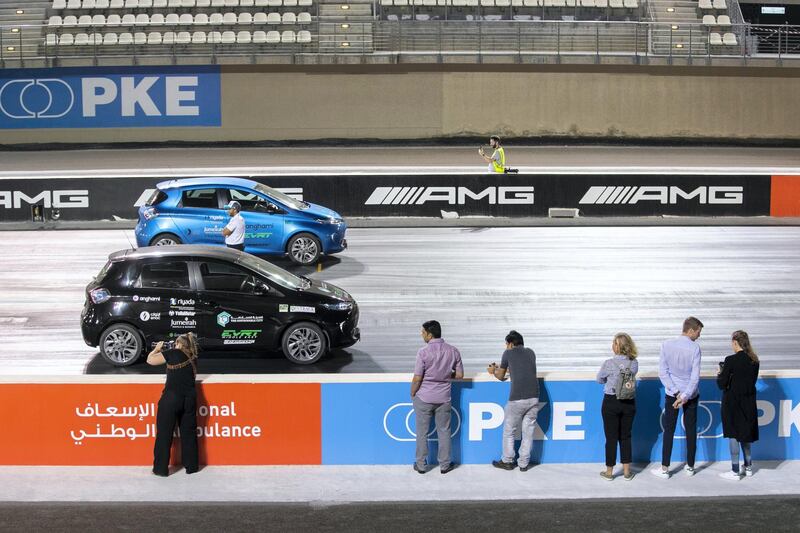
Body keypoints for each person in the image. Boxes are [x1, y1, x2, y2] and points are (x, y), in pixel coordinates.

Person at [652, 316, 703, 479]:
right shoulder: (695, 349)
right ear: (690, 330)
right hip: (691, 396)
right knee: (691, 431)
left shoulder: (666, 345)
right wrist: (686, 395)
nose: (699, 336)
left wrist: (676, 394)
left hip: (672, 396)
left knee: (669, 430)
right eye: (698, 332)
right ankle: (690, 467)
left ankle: (665, 468)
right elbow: (695, 378)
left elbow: (663, 373)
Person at [410, 320, 463, 474]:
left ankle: (421, 465)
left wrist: (413, 392)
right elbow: (459, 375)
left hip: (424, 398)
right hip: (444, 398)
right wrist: (446, 374)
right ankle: (445, 465)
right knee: (444, 431)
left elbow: (417, 378)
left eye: (423, 332)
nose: (422, 335)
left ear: (430, 334)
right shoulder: (453, 351)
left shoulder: (423, 352)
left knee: (422, 433)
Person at [147, 333, 200, 477]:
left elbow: (150, 360)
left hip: (171, 399)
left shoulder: (174, 353)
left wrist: (157, 349)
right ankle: (192, 466)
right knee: (189, 434)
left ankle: (160, 469)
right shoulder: (193, 358)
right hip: (189, 399)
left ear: (180, 344)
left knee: (164, 435)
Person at [488, 330, 539, 472]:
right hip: (534, 397)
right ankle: (523, 464)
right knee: (528, 432)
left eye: (506, 344)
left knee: (509, 431)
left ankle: (508, 461)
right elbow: (521, 368)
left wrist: (493, 370)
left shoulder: (508, 353)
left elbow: (500, 376)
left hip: (518, 398)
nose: (505, 347)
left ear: (510, 343)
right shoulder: (531, 352)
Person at [717, 330, 760, 480]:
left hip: (732, 403)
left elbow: (722, 384)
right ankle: (748, 467)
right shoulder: (754, 361)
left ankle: (735, 470)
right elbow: (751, 382)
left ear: (735, 342)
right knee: (745, 436)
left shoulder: (730, 360)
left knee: (733, 435)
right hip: (749, 403)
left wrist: (720, 373)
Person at [597, 333, 639, 481]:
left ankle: (609, 472)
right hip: (628, 402)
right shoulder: (634, 363)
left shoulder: (608, 363)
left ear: (617, 346)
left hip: (611, 401)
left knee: (611, 438)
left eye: (613, 343)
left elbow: (599, 379)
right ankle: (627, 472)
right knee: (626, 436)